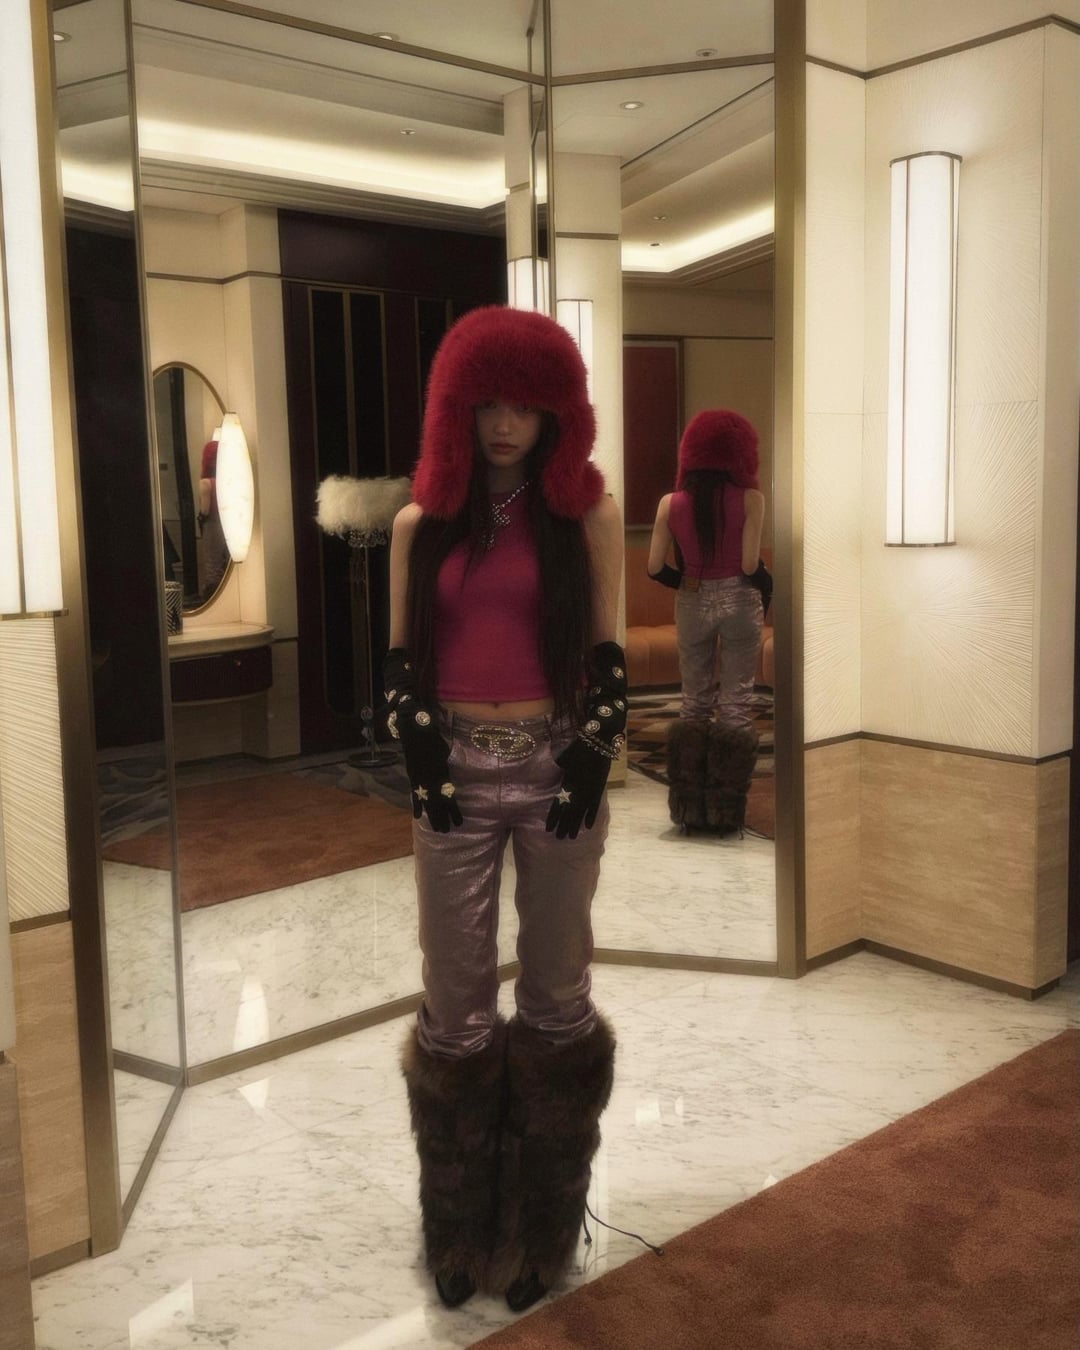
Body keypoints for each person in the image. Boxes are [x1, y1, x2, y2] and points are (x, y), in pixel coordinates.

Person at [385, 305, 625, 1314]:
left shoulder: (587, 520)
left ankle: (541, 1227)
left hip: (556, 765)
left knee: (558, 996)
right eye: (488, 402)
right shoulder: (420, 524)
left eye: (525, 405)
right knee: (455, 1004)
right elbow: (401, 664)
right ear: (459, 407)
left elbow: (607, 653)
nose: (505, 423)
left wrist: (595, 753)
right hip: (453, 775)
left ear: (556, 414)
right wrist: (417, 752)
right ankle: (457, 1224)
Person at [646, 409, 766, 831]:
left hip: (692, 598)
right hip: (740, 598)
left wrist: (688, 583)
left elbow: (654, 566)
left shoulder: (670, 503)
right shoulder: (751, 499)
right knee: (736, 702)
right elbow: (750, 564)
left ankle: (687, 810)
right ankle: (725, 813)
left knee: (694, 701)